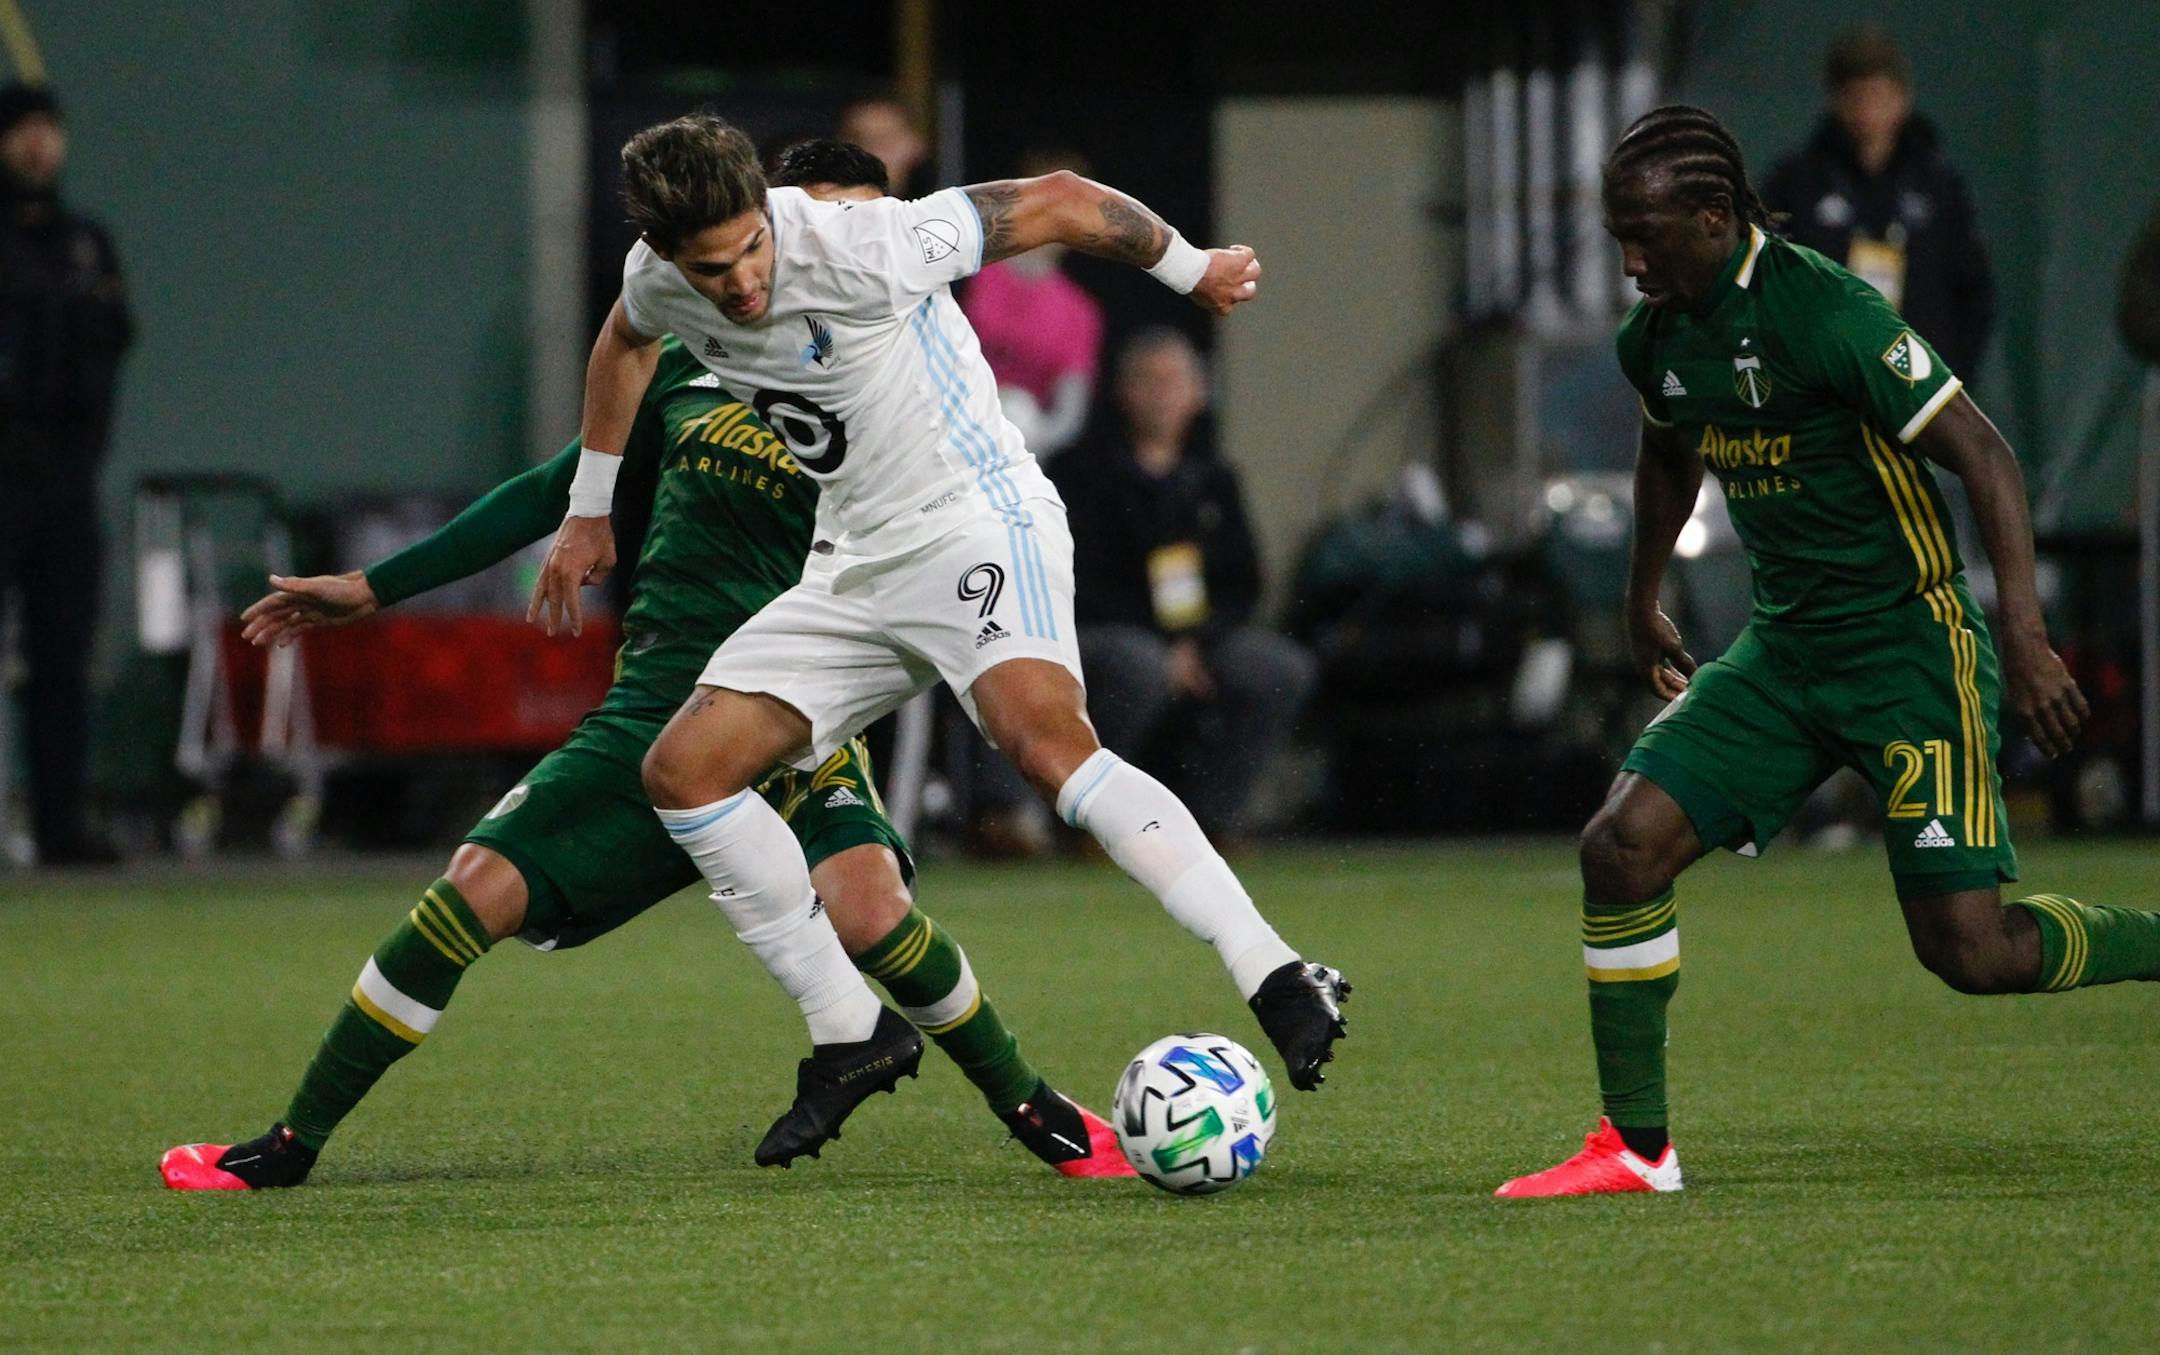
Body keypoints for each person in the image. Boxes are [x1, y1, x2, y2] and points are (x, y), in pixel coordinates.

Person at [158, 148, 1132, 1191]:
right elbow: (554, 487)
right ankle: (287, 1147)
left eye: (865, 217)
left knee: (869, 907)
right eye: (818, 217)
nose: (838, 243)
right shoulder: (686, 355)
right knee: (469, 893)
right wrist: (373, 586)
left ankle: (1039, 1111)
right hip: (662, 703)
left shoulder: (897, 372)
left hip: (788, 707)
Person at [532, 115, 1349, 1161]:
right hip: (852, 559)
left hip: (973, 518)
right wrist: (590, 506)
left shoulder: (859, 245)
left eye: (750, 249)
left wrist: (1194, 271)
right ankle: (849, 1027)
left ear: (768, 214)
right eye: (711, 268)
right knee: (684, 771)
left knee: (1048, 748)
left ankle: (1273, 966)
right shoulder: (660, 278)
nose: (738, 283)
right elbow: (625, 341)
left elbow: (1057, 196)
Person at [1496, 105, 2154, 1198]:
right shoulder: (1656, 335)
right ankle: (1636, 1147)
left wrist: (2029, 642)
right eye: (1618, 234)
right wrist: (1641, 591)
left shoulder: (1827, 310)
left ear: (1715, 217)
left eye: (1647, 235)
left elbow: (1985, 457)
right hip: (1786, 650)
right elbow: (1669, 447)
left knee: (1971, 953)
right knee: (1619, 845)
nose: (1629, 259)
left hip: (1909, 645)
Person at [1050, 327, 1316, 838]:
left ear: (1198, 393)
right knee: (1139, 666)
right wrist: (1165, 647)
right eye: (1148, 382)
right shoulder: (1082, 473)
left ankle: (1210, 820)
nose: (1162, 396)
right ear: (1123, 392)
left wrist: (1196, 642)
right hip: (1104, 630)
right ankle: (1094, 820)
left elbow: (1244, 581)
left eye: (1175, 383)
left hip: (1199, 637)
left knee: (1277, 668)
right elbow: (1078, 575)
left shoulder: (1213, 479)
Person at [0, 83, 131, 866]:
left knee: (61, 653)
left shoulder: (87, 243)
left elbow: (113, 346)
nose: (38, 145)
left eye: (49, 128)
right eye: (21, 130)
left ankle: (60, 825)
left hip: (66, 479)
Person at [1763, 24, 1993, 381]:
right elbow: (1766, 284)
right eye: (1856, 98)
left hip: (1917, 386)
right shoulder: (1795, 182)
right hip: (1824, 385)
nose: (1868, 112)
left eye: (1879, 96)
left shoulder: (1940, 186)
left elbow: (1975, 293)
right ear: (1834, 100)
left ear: (1903, 98)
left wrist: (1949, 381)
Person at [961, 150, 1104, 459]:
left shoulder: (1079, 312)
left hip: (1023, 448)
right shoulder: (970, 274)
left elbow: (1068, 417)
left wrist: (1022, 444)